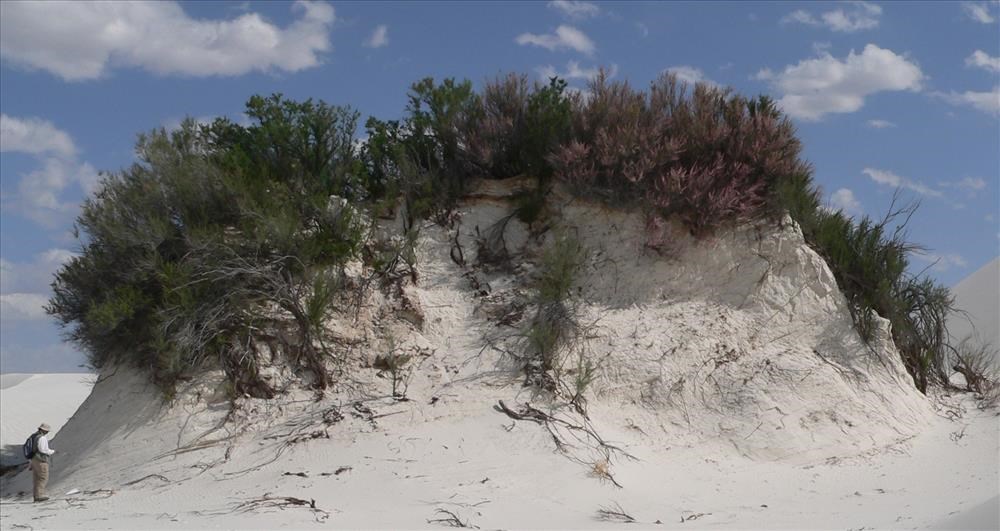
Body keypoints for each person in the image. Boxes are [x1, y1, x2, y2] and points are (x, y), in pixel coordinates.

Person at [28, 423, 55, 502]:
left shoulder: (33, 436)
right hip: (41, 460)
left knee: (36, 478)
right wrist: (52, 452)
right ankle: (40, 495)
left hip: (33, 459)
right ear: (45, 430)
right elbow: (43, 450)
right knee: (43, 477)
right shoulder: (42, 438)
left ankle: (36, 496)